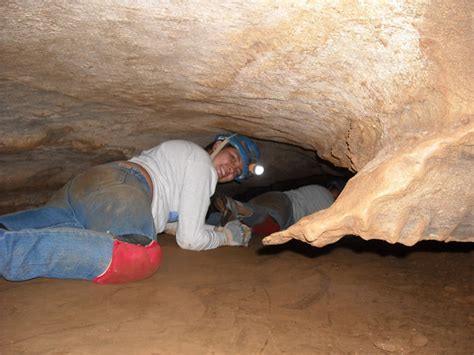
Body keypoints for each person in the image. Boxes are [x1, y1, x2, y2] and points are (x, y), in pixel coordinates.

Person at [0, 133, 261, 284]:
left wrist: (217, 228)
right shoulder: (203, 164)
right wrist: (225, 238)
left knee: (56, 225)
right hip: (123, 189)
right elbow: (189, 239)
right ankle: (7, 252)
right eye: (233, 157)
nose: (231, 169)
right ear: (218, 145)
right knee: (135, 254)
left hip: (91, 188)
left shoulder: (185, 160)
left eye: (237, 172)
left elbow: (175, 225)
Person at [208, 179, 345, 237]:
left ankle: (213, 220)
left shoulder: (317, 188)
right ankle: (236, 207)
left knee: (241, 223)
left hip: (274, 197)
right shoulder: (329, 202)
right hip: (286, 208)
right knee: (267, 223)